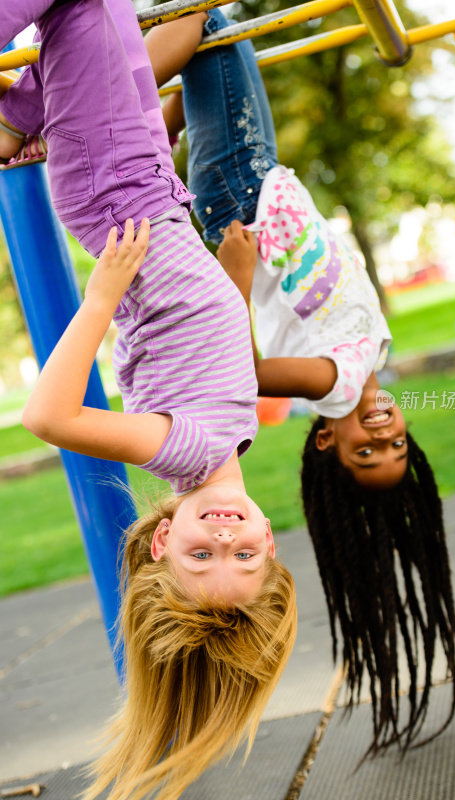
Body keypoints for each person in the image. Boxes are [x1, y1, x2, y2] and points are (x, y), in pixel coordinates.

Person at [144, 8, 455, 757]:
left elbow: (249, 369)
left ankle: (113, 101)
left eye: (365, 453)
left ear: (329, 440)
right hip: (255, 191)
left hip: (245, 198)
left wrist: (235, 279)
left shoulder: (334, 381)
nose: (385, 434)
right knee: (210, 49)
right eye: (396, 448)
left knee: (212, 22)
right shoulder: (372, 356)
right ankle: (151, 122)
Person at [0, 3, 296, 800]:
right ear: (274, 547)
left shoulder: (185, 454)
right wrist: (232, 283)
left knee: (90, 7)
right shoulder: (232, 442)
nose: (227, 539)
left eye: (204, 555)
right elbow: (201, 344)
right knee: (108, 32)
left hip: (114, 198)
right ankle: (16, 117)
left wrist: (99, 298)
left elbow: (49, 419)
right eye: (246, 556)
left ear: (163, 542)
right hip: (147, 193)